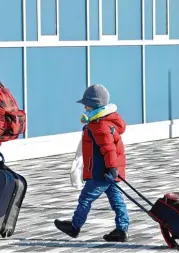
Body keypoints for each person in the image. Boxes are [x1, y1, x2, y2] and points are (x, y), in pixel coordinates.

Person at [54, 84, 130, 242]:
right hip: (107, 171)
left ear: (95, 104)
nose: (85, 107)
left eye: (86, 104)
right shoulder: (103, 121)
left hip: (101, 172)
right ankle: (122, 230)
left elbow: (108, 149)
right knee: (117, 200)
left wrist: (111, 168)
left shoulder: (99, 125)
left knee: (86, 198)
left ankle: (75, 227)